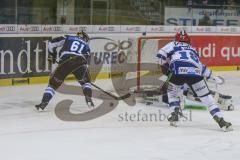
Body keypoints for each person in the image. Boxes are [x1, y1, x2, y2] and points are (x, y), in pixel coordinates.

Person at [156, 30, 233, 131]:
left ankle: (174, 114)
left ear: (176, 39)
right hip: (195, 74)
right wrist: (214, 78)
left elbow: (160, 57)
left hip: (177, 74)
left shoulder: (172, 44)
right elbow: (201, 68)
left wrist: (167, 72)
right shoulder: (193, 49)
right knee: (208, 100)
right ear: (188, 41)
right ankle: (221, 121)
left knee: (172, 95)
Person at [35, 31, 94, 111]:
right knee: (86, 83)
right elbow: (86, 62)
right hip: (80, 62)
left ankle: (42, 105)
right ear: (85, 38)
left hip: (65, 62)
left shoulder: (68, 37)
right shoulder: (86, 46)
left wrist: (53, 55)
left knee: (53, 85)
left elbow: (51, 44)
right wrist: (85, 78)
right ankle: (89, 100)